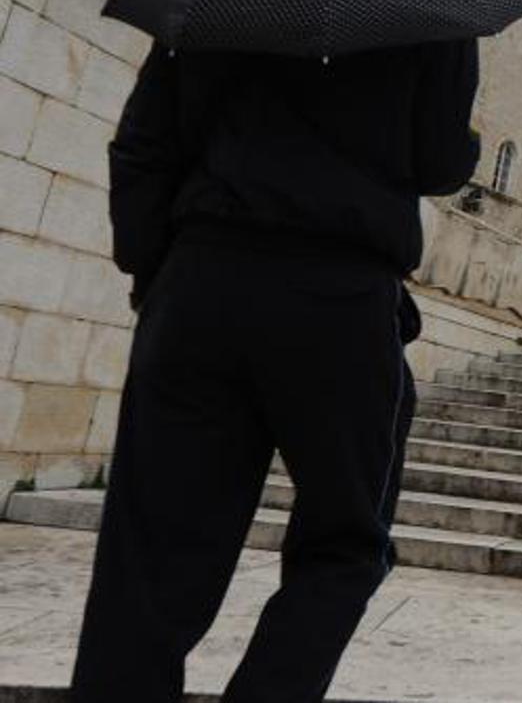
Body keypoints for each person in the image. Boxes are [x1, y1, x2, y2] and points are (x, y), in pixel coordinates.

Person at [71, 38, 480, 702]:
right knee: (344, 544)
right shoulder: (432, 14)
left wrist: (155, 273)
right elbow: (439, 162)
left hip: (204, 278)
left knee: (150, 549)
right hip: (341, 299)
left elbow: (143, 143)